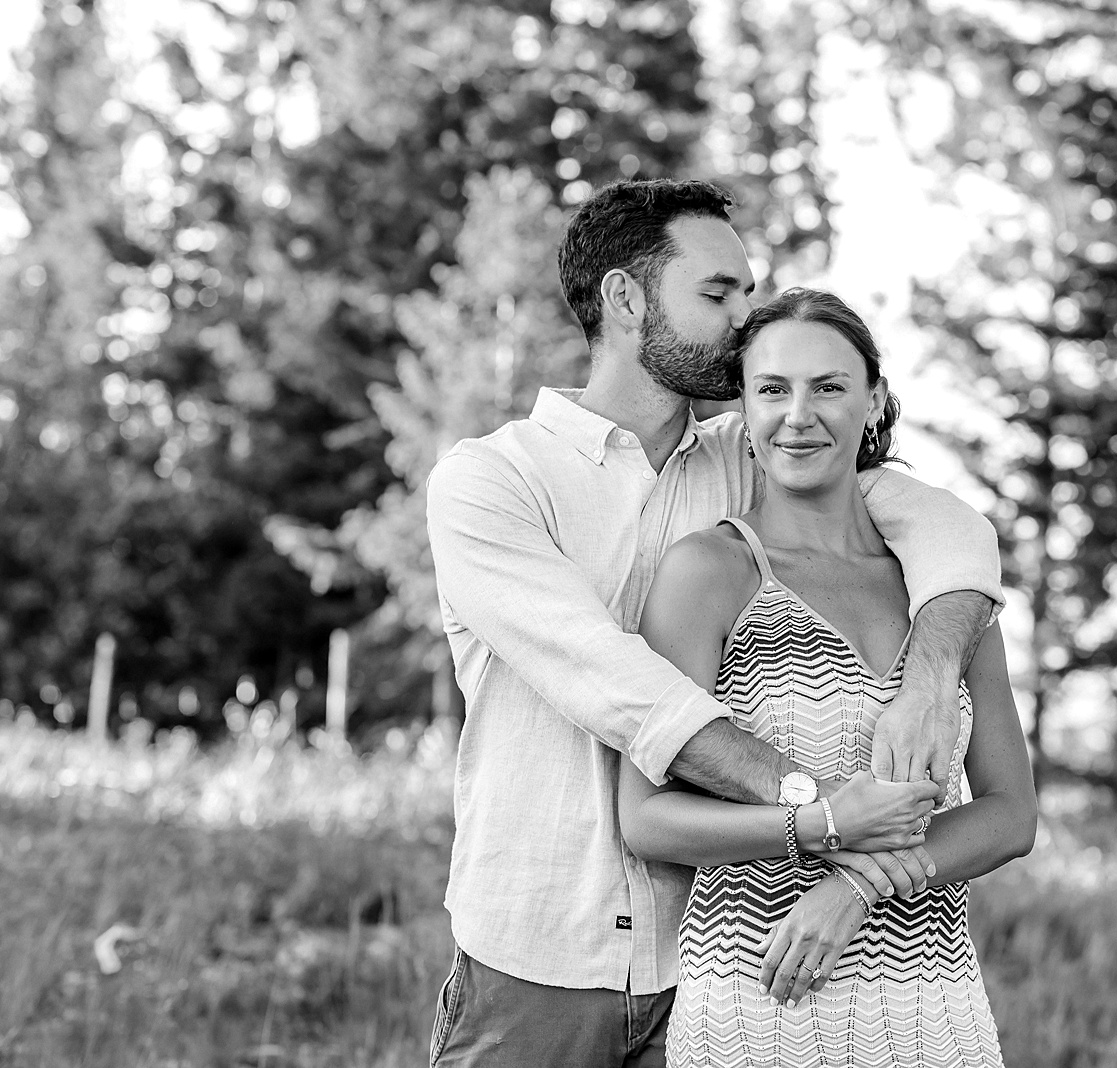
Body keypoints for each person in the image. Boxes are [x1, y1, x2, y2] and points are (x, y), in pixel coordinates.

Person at [424, 179, 1004, 1067]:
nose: (745, 318)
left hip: (726, 975)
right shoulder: (493, 484)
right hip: (540, 961)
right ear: (625, 300)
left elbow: (951, 530)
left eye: (748, 292)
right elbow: (619, 688)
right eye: (718, 292)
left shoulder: (758, 449)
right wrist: (816, 806)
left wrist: (929, 677)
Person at [618, 288, 1037, 1067]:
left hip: (934, 1019)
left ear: (874, 400)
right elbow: (647, 820)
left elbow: (1011, 816)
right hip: (758, 1007)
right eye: (772, 389)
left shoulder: (945, 590)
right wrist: (820, 828)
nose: (797, 414)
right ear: (742, 410)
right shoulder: (710, 573)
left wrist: (856, 886)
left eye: (829, 387)